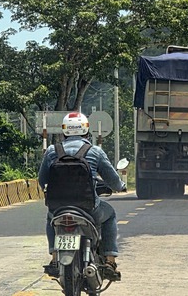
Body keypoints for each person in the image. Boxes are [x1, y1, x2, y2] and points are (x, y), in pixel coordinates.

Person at [38, 111, 127, 279]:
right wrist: (121, 186)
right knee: (110, 215)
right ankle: (109, 260)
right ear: (87, 131)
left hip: (58, 207)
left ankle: (55, 258)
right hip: (89, 208)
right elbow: (113, 181)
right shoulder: (95, 152)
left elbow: (42, 181)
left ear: (64, 131)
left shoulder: (51, 151)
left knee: (50, 218)